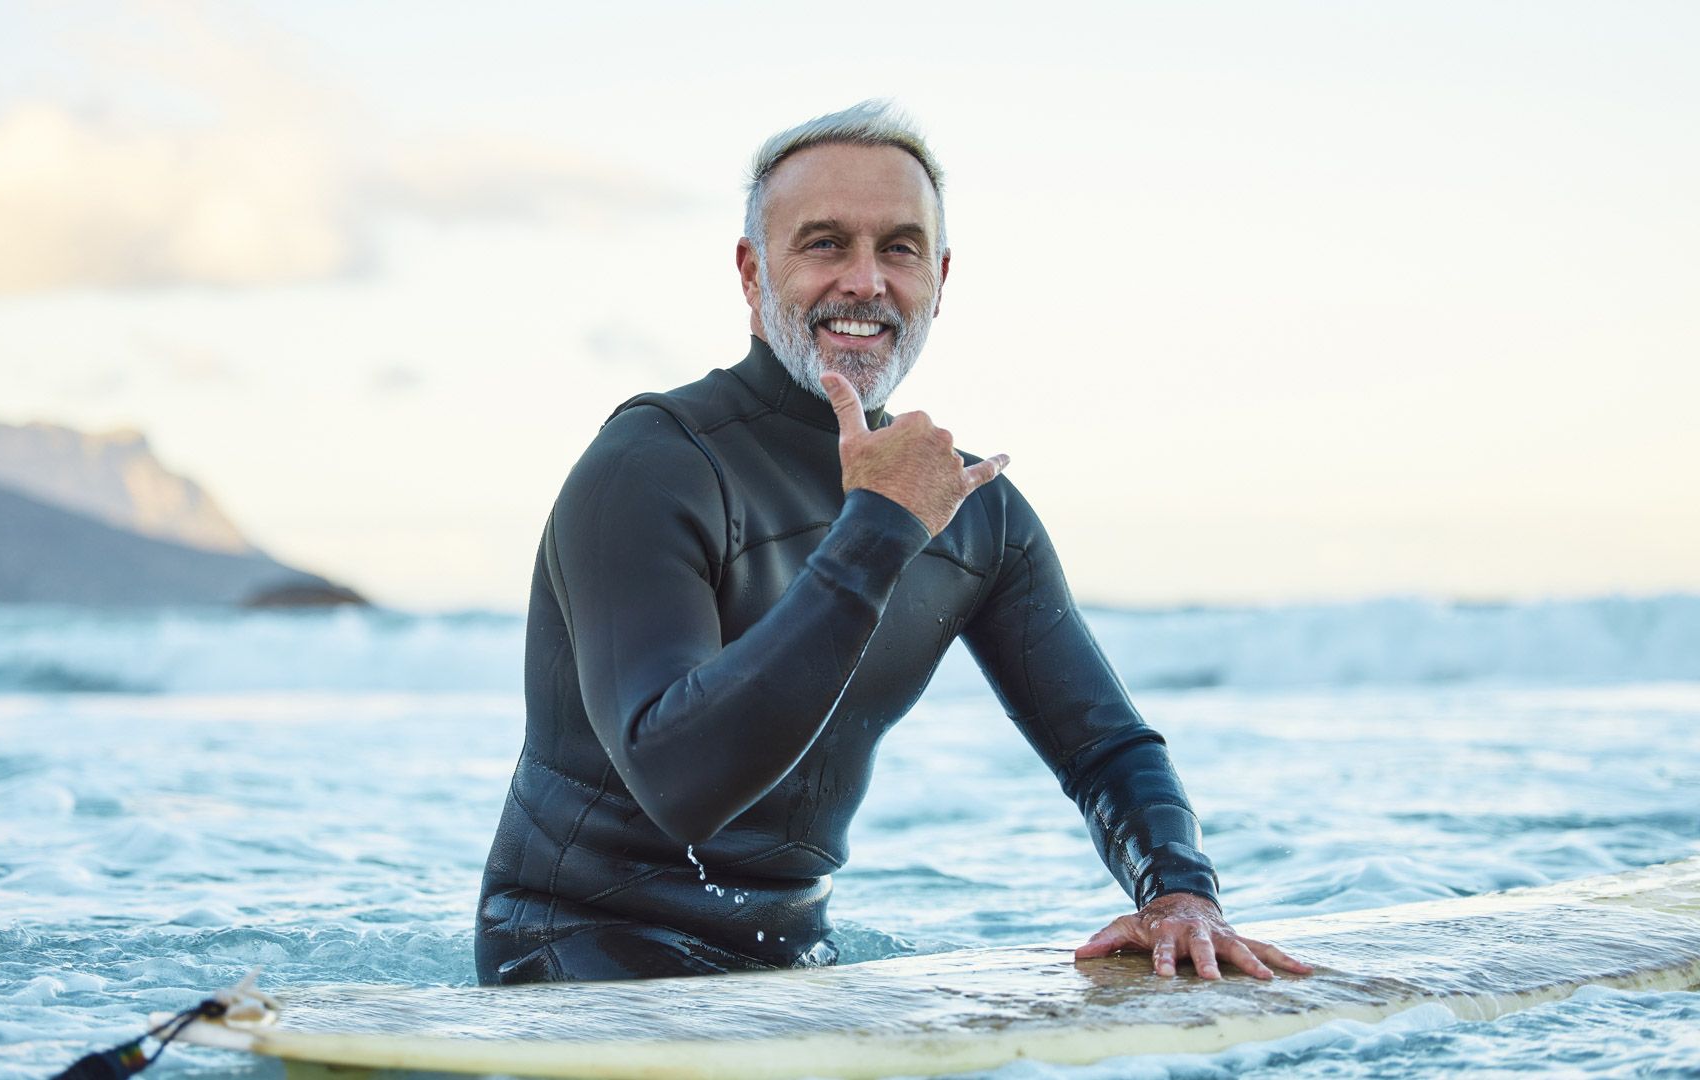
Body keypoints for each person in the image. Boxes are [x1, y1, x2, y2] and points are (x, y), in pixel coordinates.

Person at [475, 101, 1308, 987]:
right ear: (753, 273)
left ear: (940, 279)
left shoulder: (974, 511)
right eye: (826, 243)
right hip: (572, 950)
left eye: (900, 249)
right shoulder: (651, 466)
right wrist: (878, 526)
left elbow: (1105, 746)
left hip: (790, 960)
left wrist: (1178, 896)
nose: (866, 281)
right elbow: (679, 783)